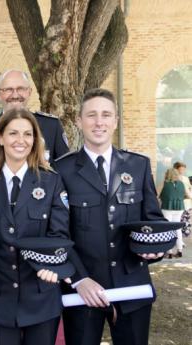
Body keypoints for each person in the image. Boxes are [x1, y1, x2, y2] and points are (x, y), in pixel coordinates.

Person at [55, 88, 166, 345]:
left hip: (132, 285)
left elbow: (154, 221)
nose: (99, 122)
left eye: (106, 115)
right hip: (83, 290)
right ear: (79, 121)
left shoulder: (137, 165)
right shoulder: (62, 170)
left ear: (115, 121)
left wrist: (154, 249)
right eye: (91, 115)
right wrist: (79, 279)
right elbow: (58, 234)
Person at [0, 109, 71, 345]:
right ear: (0, 138)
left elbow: (59, 235)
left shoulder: (51, 181)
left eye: (28, 134)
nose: (21, 140)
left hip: (41, 294)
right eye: (13, 133)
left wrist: (51, 266)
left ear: (35, 140)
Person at [0, 69, 68, 171]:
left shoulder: (52, 126)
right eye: (8, 89)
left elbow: (66, 170)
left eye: (20, 89)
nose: (15, 95)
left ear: (29, 92)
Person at [159, 168, 188, 258]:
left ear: (167, 174)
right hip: (179, 208)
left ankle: (169, 251)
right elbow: (188, 194)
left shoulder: (164, 183)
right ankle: (179, 250)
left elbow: (155, 194)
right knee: (177, 229)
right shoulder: (182, 184)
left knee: (167, 228)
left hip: (167, 207)